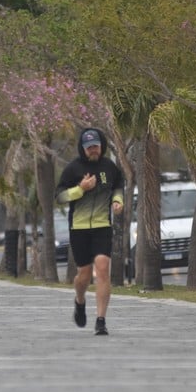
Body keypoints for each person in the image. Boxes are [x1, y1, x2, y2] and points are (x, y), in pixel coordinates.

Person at [56, 128, 125, 336]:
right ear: (83, 149)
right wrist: (81, 189)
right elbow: (59, 197)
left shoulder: (109, 167)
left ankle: (101, 320)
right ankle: (80, 300)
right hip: (79, 228)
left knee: (103, 268)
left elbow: (118, 186)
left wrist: (117, 201)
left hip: (102, 226)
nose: (93, 150)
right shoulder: (72, 169)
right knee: (83, 276)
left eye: (96, 146)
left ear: (101, 145)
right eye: (89, 148)